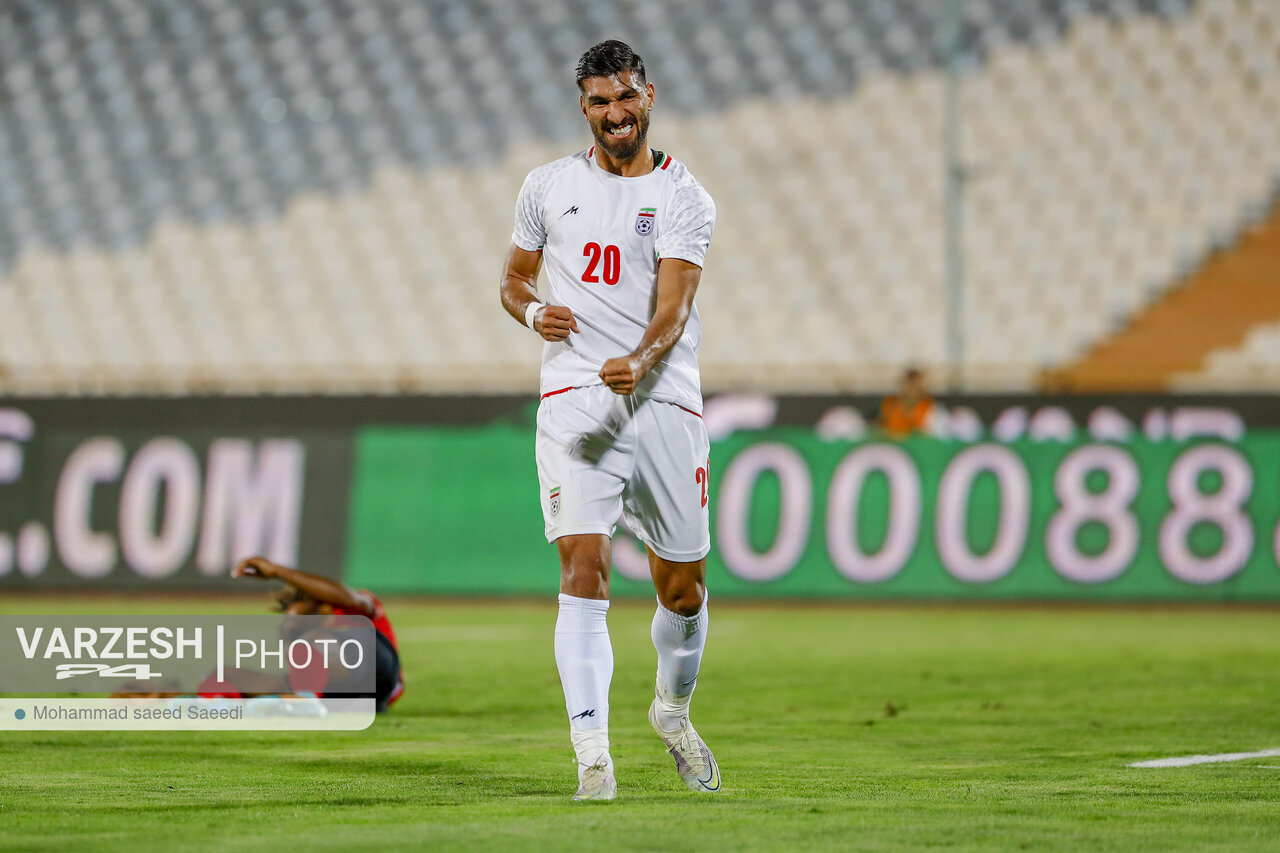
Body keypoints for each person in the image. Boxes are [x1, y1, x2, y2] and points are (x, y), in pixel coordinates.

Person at [498, 39, 720, 801]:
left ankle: (671, 710)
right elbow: (513, 278)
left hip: (662, 399)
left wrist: (642, 358)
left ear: (648, 96)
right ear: (584, 107)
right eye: (600, 101)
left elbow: (675, 307)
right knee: (582, 568)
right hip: (574, 396)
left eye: (626, 97)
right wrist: (534, 313)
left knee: (683, 590)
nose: (615, 112)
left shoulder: (684, 196)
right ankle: (592, 757)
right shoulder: (546, 185)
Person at [230, 556, 405, 713]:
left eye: (299, 604)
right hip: (345, 695)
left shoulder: (350, 608)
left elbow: (351, 598)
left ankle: (303, 701)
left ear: (324, 608)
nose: (290, 616)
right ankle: (226, 704)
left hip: (381, 673)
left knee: (314, 642)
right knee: (229, 674)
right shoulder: (304, 648)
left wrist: (277, 571)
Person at [879, 367, 936, 438]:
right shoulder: (890, 402)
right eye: (910, 384)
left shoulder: (928, 406)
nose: (913, 389)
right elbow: (882, 425)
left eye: (916, 385)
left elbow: (927, 431)